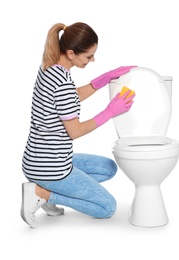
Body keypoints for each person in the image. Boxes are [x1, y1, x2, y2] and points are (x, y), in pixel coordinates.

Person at [21, 22, 136, 228]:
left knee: (107, 168)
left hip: (38, 160)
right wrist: (110, 111)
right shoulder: (62, 82)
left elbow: (69, 99)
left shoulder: (49, 67)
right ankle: (43, 194)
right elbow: (74, 131)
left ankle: (45, 190)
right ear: (72, 53)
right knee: (107, 208)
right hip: (51, 168)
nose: (92, 60)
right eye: (89, 56)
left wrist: (103, 79)